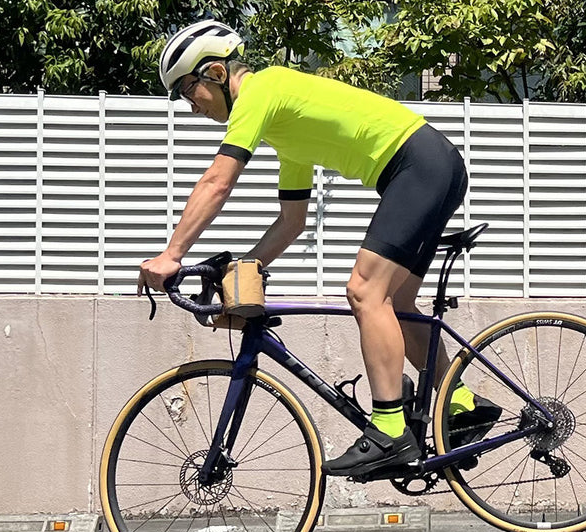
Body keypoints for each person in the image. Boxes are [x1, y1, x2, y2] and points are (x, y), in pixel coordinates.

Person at [137, 20, 499, 477]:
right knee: (399, 304)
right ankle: (463, 405)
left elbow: (218, 180)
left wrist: (172, 254)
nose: (192, 108)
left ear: (212, 72)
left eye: (188, 92)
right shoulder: (285, 126)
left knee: (366, 292)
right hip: (431, 165)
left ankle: (389, 429)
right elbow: (292, 223)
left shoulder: (261, 92)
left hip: (418, 166)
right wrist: (241, 268)